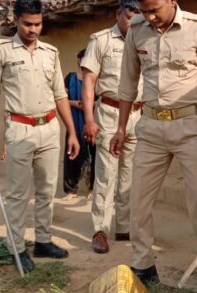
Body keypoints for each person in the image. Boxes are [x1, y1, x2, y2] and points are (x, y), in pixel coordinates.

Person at [110, 0, 197, 285]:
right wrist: (120, 128)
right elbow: (128, 82)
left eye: (155, 10)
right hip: (150, 129)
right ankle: (143, 265)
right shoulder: (136, 30)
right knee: (137, 199)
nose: (150, 17)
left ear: (172, 1)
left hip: (188, 127)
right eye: (144, 11)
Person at [0, 0, 80, 273]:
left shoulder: (51, 52)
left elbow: (60, 93)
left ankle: (43, 241)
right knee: (19, 194)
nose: (33, 30)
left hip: (49, 128)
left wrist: (71, 130)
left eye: (38, 24)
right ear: (16, 19)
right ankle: (17, 248)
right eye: (28, 24)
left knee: (47, 190)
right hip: (19, 129)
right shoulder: (1, 50)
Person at [80, 0, 143, 254]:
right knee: (106, 174)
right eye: (129, 17)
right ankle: (100, 230)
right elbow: (88, 82)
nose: (133, 23)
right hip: (109, 112)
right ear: (118, 15)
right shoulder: (101, 40)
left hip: (138, 115)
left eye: (138, 18)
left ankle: (123, 226)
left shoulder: (143, 40)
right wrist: (89, 119)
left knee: (129, 174)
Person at [62, 49, 96, 201]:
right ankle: (71, 190)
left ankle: (93, 188)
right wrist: (74, 103)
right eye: (82, 58)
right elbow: (61, 99)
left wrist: (90, 104)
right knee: (71, 156)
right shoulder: (70, 78)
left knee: (95, 156)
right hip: (74, 123)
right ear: (78, 59)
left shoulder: (97, 79)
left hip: (94, 123)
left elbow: (103, 100)